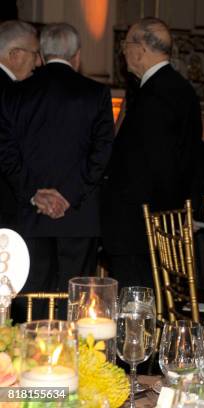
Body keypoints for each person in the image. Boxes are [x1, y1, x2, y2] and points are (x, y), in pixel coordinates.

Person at [0, 23, 114, 320]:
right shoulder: (97, 93)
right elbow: (101, 154)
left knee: (31, 299)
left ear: (43, 55)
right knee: (75, 301)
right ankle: (74, 361)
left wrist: (34, 194)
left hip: (30, 217)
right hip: (78, 218)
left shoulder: (14, 94)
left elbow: (6, 153)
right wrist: (69, 195)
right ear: (76, 56)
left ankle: (30, 361)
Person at [101, 17, 202, 289]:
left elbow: (152, 164)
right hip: (159, 221)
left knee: (135, 302)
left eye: (126, 43)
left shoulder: (154, 95)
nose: (123, 51)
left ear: (141, 48)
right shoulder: (180, 88)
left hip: (137, 225)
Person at [0, 20, 40, 230]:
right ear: (14, 54)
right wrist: (34, 193)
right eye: (34, 54)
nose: (38, 63)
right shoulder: (10, 93)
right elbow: (6, 151)